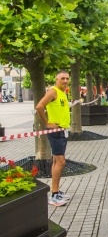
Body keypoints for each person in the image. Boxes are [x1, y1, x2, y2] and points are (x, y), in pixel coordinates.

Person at [36, 70, 71, 206]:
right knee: (61, 162)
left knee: (57, 162)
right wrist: (46, 123)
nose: (65, 81)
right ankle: (54, 196)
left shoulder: (63, 92)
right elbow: (39, 106)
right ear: (57, 79)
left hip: (61, 131)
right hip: (55, 131)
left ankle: (56, 191)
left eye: (67, 79)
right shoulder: (53, 91)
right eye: (62, 78)